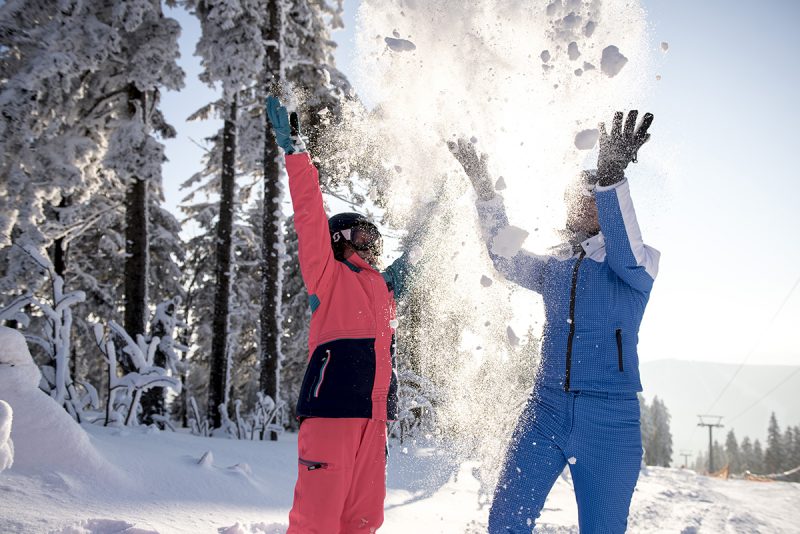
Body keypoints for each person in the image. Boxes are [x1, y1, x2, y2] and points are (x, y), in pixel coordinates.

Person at [450, 110, 658, 533]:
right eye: (571, 197)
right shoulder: (558, 265)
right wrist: (485, 190)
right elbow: (504, 257)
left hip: (610, 421)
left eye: (585, 197)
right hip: (545, 408)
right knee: (506, 521)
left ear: (602, 206)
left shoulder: (636, 265)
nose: (573, 204)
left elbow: (625, 249)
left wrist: (612, 180)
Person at [266, 96, 415, 534]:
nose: (369, 244)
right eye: (359, 235)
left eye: (374, 237)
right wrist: (296, 155)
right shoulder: (326, 275)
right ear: (338, 240)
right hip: (332, 414)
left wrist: (435, 213)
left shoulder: (383, 288)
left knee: (362, 522)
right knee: (318, 521)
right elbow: (309, 215)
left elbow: (415, 260)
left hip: (374, 423)